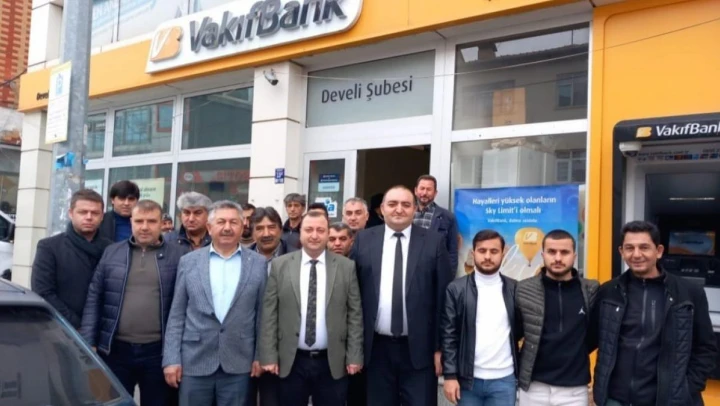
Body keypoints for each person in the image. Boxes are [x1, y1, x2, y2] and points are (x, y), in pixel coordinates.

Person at [592, 220, 717, 406]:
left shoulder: (688, 293)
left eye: (644, 247)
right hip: (615, 400)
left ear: (658, 251)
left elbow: (706, 348)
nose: (636, 254)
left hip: (669, 401)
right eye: (629, 248)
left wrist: (687, 388)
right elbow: (588, 339)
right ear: (621, 252)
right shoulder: (608, 291)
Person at [352, 185, 453, 405]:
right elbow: (353, 296)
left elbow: (443, 300)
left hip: (420, 351)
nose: (399, 209)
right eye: (392, 204)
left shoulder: (433, 242)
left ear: (415, 209)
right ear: (382, 209)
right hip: (375, 350)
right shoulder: (364, 240)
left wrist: (440, 348)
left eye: (406, 204)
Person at [80, 200, 187, 406]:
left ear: (161, 223)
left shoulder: (179, 255)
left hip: (159, 352)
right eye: (139, 221)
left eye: (151, 221)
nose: (144, 227)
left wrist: (176, 354)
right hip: (115, 351)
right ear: (131, 222)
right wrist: (88, 341)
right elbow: (95, 297)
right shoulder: (112, 252)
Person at [163, 201, 268, 406]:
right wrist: (171, 359)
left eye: (233, 222)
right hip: (194, 361)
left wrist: (259, 355)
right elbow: (176, 315)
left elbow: (262, 315)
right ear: (209, 227)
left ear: (243, 227)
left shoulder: (258, 263)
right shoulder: (189, 261)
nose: (227, 228)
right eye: (221, 222)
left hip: (239, 362)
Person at [259, 211, 363, 406]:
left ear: (327, 233)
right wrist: (269, 356)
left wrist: (354, 356)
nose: (314, 235)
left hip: (332, 361)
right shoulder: (280, 265)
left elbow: (354, 315)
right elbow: (269, 314)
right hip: (291, 361)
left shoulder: (346, 267)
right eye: (309, 230)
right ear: (300, 232)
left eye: (320, 230)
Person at [516, 229, 599, 406]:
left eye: (564, 252)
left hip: (574, 389)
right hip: (533, 387)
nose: (558, 258)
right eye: (552, 252)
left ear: (574, 256)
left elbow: (595, 334)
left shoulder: (590, 290)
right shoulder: (524, 289)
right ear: (542, 255)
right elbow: (513, 333)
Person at [441, 229, 519, 405]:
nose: (488, 257)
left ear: (503, 253)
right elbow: (448, 335)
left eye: (494, 251)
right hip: (467, 381)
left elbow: (521, 330)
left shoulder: (514, 289)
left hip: (504, 380)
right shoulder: (456, 289)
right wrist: (450, 375)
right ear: (473, 253)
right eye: (482, 251)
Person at [31, 189, 112, 328]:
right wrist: (77, 326)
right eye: (83, 212)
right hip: (60, 330)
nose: (89, 217)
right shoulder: (49, 247)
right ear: (71, 213)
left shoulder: (111, 249)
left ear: (102, 216)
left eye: (95, 213)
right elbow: (43, 292)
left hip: (101, 329)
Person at [247, 206, 298, 406]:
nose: (266, 233)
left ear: (280, 229)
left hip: (284, 352)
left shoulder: (297, 258)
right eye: (259, 228)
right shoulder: (242, 258)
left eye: (271, 227)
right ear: (252, 232)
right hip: (245, 350)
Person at [414, 175, 459, 276]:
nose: (424, 193)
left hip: (434, 273)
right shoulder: (406, 214)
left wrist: (449, 277)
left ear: (435, 193)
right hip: (408, 271)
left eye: (429, 189)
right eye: (422, 188)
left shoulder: (447, 217)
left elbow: (452, 252)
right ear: (415, 191)